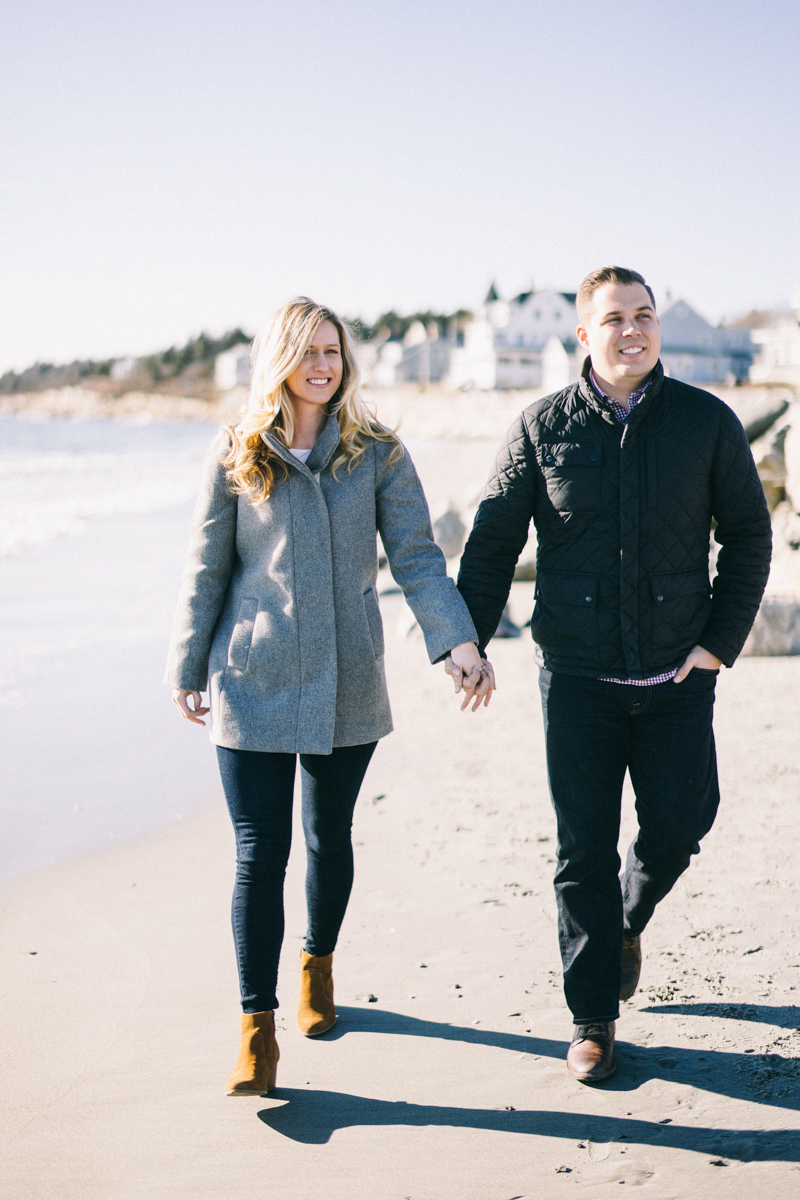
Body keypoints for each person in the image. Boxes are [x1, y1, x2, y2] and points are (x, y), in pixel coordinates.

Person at [166, 297, 493, 1096]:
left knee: (328, 839)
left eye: (334, 352)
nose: (323, 364)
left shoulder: (375, 451)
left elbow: (416, 557)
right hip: (255, 676)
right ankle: (256, 1031)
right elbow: (208, 567)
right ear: (279, 359)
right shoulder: (238, 450)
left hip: (349, 676)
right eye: (309, 351)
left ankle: (317, 964)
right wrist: (187, 662)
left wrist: (456, 641)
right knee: (257, 855)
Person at [456, 266, 771, 1083]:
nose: (632, 330)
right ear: (583, 336)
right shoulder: (541, 428)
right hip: (579, 680)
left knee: (681, 824)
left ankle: (628, 918)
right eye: (614, 318)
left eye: (644, 315)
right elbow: (491, 543)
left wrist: (715, 645)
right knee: (581, 849)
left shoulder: (708, 423)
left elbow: (749, 537)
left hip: (677, 676)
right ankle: (592, 1019)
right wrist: (468, 640)